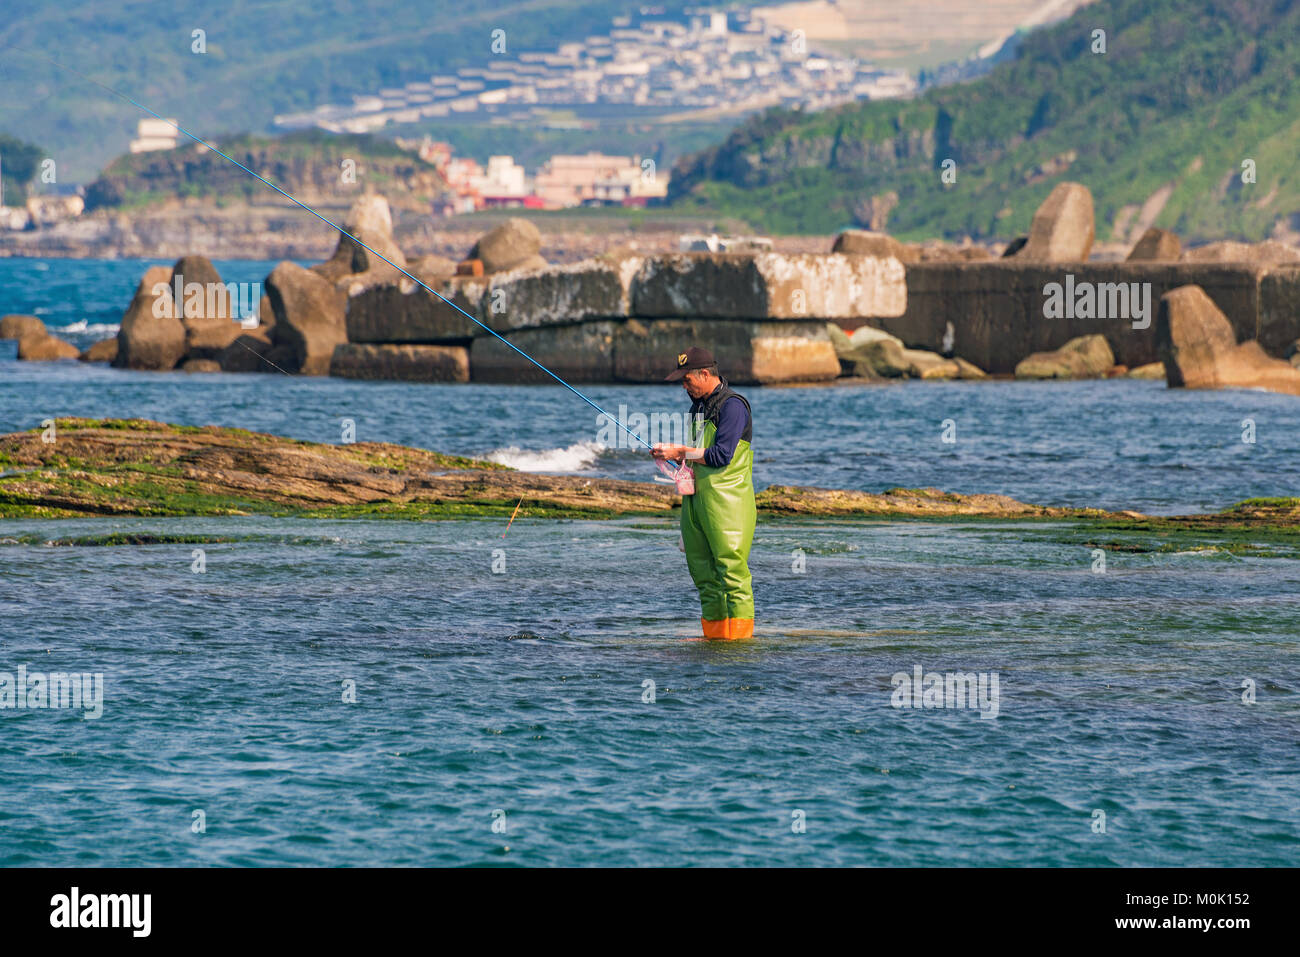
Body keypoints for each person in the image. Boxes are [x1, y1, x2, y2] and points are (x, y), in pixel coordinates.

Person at [652, 347, 755, 640]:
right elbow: (700, 454)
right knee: (703, 575)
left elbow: (722, 455)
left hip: (727, 505)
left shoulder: (733, 406)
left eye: (687, 380)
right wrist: (671, 456)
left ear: (705, 374)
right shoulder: (696, 407)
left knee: (732, 573)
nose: (684, 386)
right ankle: (715, 641)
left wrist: (680, 451)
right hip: (696, 500)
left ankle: (740, 644)